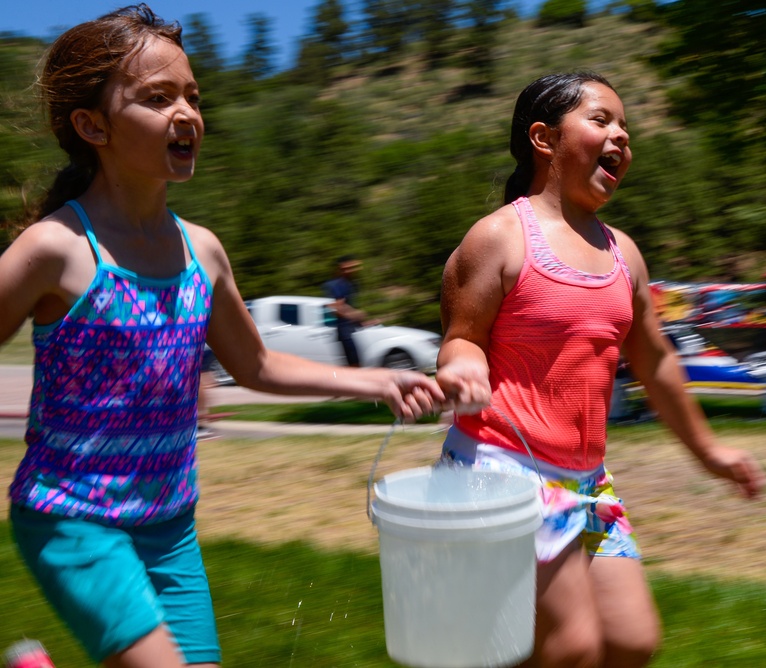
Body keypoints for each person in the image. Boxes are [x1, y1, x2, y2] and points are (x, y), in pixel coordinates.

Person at [0, 6, 444, 668]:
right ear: (92, 126)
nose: (186, 113)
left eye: (192, 97)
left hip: (170, 525)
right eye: (156, 98)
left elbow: (258, 364)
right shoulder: (57, 248)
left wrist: (379, 379)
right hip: (73, 519)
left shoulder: (201, 251)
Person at [434, 71, 766, 668]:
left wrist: (710, 452)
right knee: (571, 649)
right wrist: (462, 371)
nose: (621, 136)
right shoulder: (501, 238)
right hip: (503, 471)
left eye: (626, 128)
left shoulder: (623, 254)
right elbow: (462, 339)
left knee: (631, 640)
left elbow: (656, 361)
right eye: (601, 120)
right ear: (544, 138)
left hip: (587, 481)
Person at [322, 255, 373, 367]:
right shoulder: (334, 285)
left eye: (355, 267)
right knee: (354, 365)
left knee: (360, 363)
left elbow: (347, 306)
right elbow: (336, 307)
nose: (353, 270)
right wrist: (356, 314)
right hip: (344, 331)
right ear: (341, 268)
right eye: (349, 267)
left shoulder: (351, 284)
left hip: (353, 329)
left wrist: (362, 322)